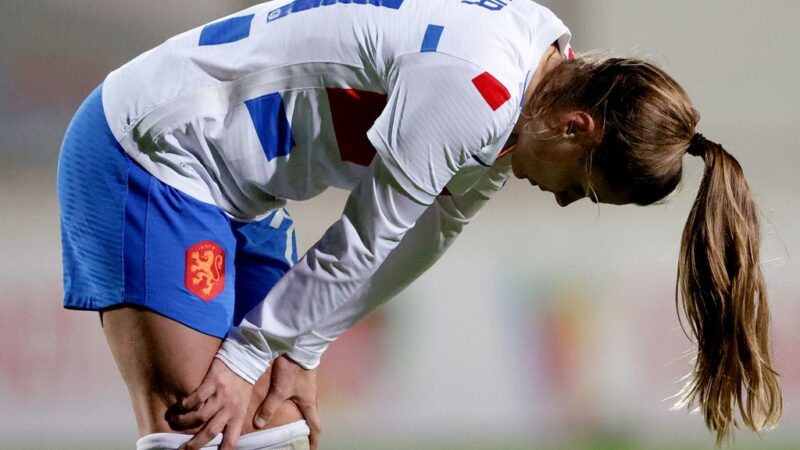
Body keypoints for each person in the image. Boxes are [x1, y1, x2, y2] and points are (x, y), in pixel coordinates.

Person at [57, 0, 782, 449]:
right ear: (576, 126)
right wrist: (255, 353)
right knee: (202, 429)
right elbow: (366, 237)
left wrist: (301, 350)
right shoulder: (477, 88)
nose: (562, 201)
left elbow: (428, 233)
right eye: (583, 188)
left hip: (244, 187)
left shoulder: (536, 61)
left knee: (271, 428)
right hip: (159, 149)